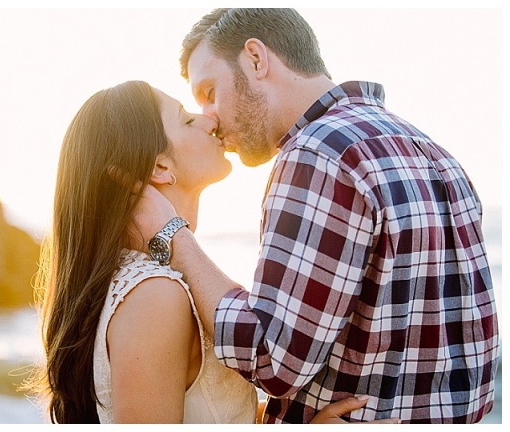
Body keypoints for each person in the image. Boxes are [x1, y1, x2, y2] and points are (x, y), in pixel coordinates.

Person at [127, 8, 500, 424]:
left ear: (256, 58)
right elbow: (475, 372)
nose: (209, 119)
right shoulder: (432, 152)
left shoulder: (317, 153)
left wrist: (173, 239)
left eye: (211, 91)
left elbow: (272, 359)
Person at [25, 80, 389, 424]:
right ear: (160, 167)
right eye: (186, 119)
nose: (209, 119)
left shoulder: (156, 282)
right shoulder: (155, 293)